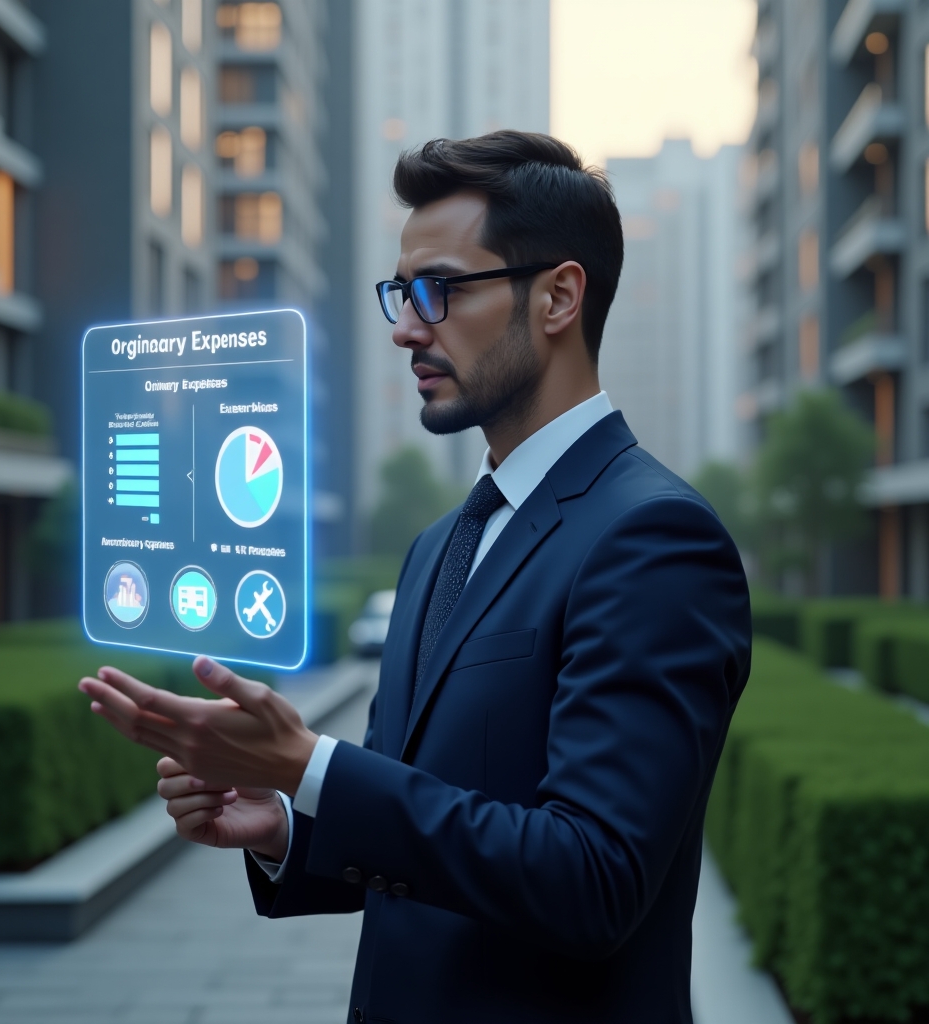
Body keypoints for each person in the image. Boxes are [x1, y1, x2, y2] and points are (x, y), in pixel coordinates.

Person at [80, 130, 751, 1023]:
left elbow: (593, 877)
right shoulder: (440, 546)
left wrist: (311, 765)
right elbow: (421, 822)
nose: (405, 327)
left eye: (438, 290)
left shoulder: (654, 538)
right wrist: (283, 822)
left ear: (558, 296)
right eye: (401, 292)